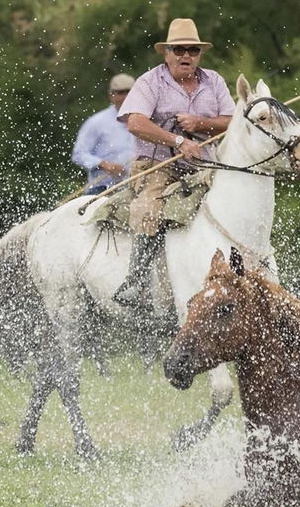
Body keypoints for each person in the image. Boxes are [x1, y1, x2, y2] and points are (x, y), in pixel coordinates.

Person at [112, 18, 235, 307]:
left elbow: (232, 122)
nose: (186, 56)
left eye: (193, 50)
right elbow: (135, 123)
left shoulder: (214, 81)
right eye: (179, 50)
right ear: (166, 53)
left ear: (200, 55)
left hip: (205, 167)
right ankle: (136, 282)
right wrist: (178, 140)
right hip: (157, 166)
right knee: (149, 208)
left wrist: (199, 123)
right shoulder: (150, 82)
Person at [71, 74, 136, 195]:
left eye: (129, 92)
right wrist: (103, 164)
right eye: (121, 93)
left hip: (135, 187)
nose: (125, 97)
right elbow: (79, 155)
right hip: (102, 188)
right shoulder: (96, 122)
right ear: (111, 95)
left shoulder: (146, 121)